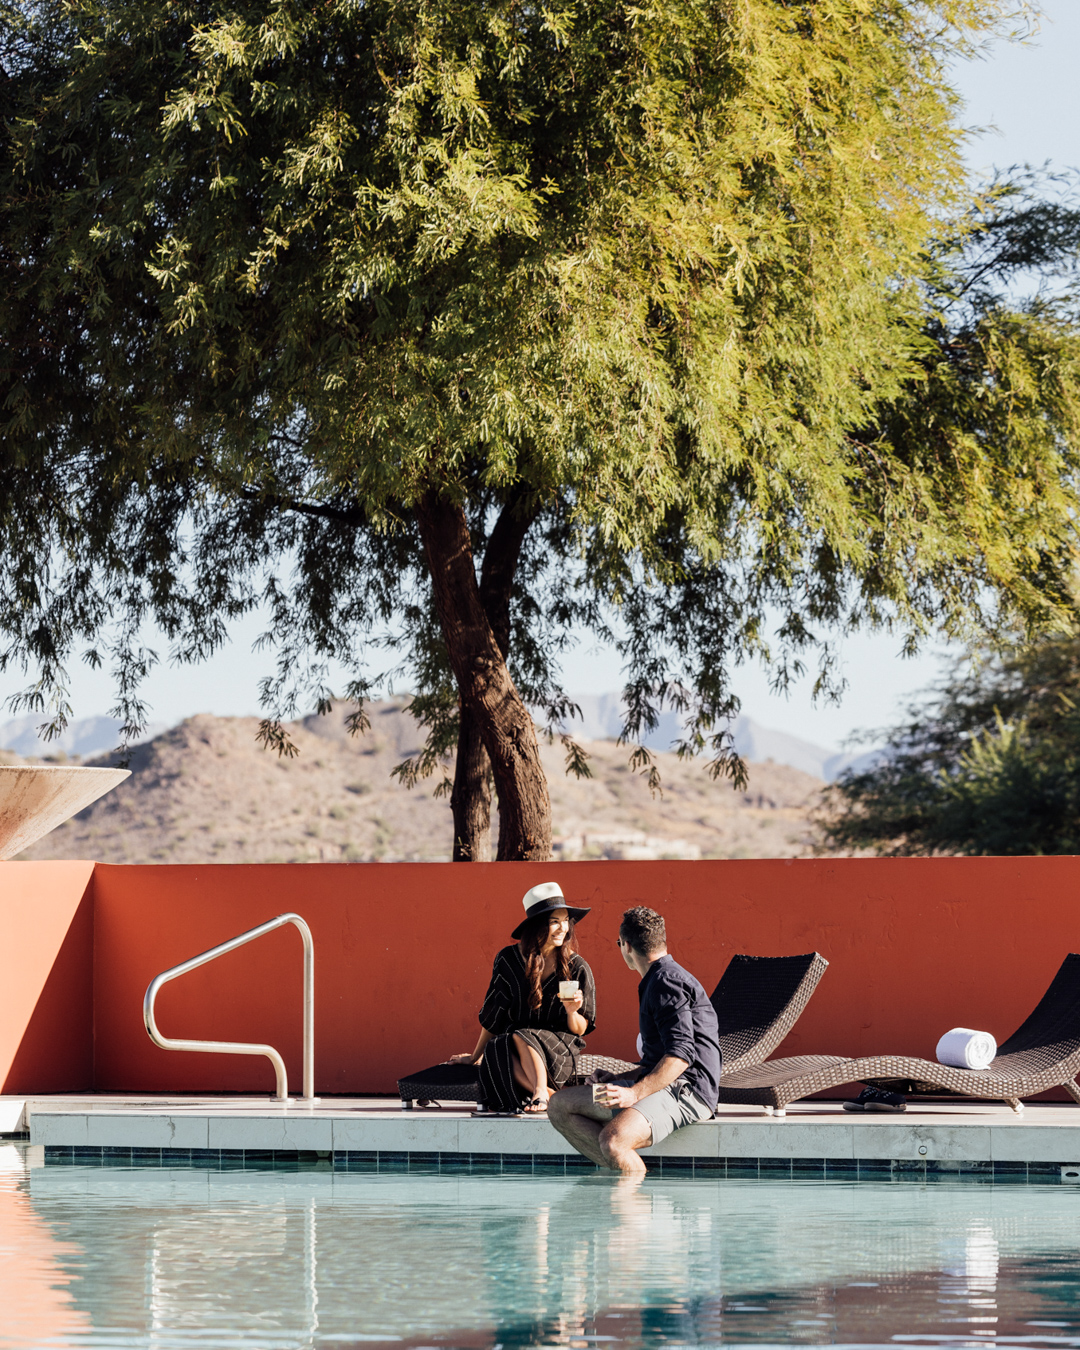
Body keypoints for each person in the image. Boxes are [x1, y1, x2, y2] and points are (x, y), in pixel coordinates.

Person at [548, 906, 720, 1173]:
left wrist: (633, 1093)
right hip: (665, 1084)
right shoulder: (658, 979)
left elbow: (681, 1055)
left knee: (614, 1141)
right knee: (560, 1106)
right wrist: (620, 1079)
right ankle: (622, 1177)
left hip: (689, 1091)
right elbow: (659, 1060)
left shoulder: (666, 982)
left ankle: (636, 1202)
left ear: (626, 946)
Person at [449, 881, 597, 1113]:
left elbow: (580, 1029)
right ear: (537, 925)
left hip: (558, 1052)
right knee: (498, 1046)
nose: (563, 928)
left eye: (566, 920)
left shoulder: (576, 966)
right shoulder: (507, 959)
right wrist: (475, 1056)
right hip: (514, 1050)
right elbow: (494, 1015)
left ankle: (540, 1091)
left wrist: (572, 1011)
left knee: (520, 1035)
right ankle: (553, 1096)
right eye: (554, 922)